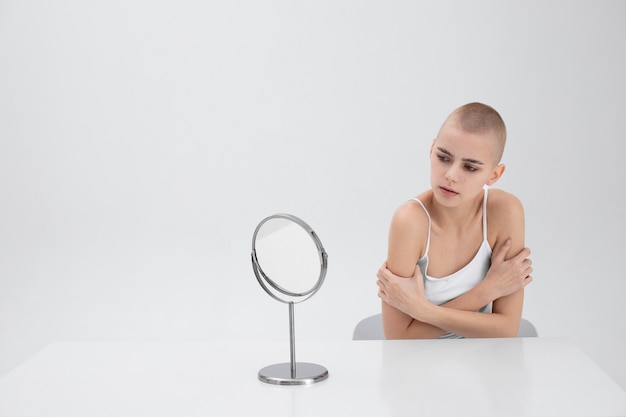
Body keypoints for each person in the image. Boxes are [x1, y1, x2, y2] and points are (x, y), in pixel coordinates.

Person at [376, 102, 533, 339]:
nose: (451, 175)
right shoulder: (410, 222)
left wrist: (422, 311)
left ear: (494, 174)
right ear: (431, 150)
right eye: (443, 157)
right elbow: (399, 339)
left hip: (486, 362)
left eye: (470, 167)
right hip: (416, 366)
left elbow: (507, 329)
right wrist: (487, 291)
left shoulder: (505, 212)